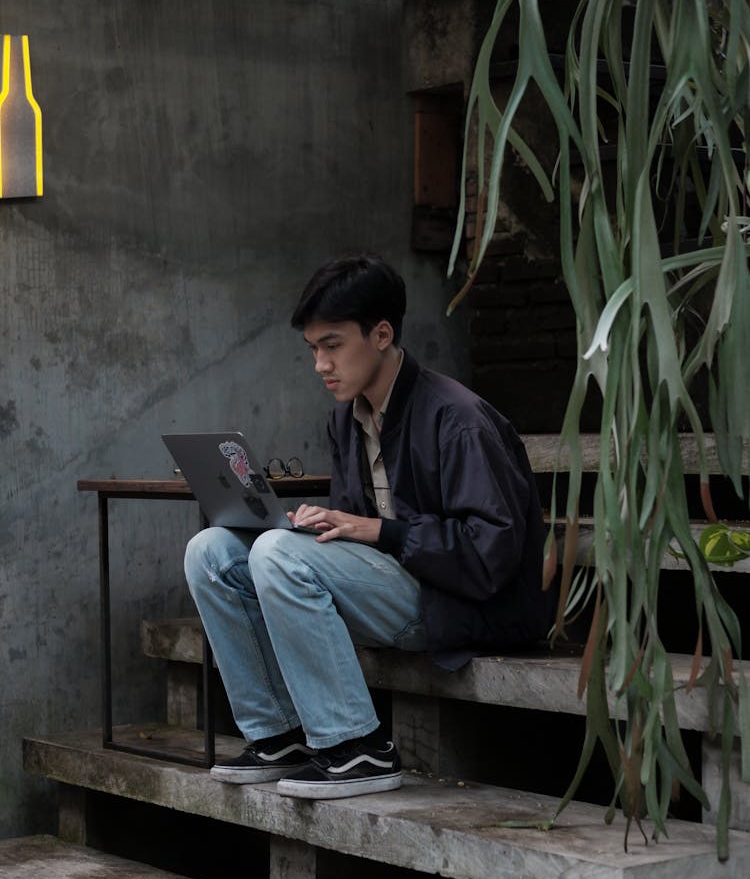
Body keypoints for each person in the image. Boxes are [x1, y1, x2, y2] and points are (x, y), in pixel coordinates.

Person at [184, 254, 552, 800]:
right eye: (313, 350)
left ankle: (359, 747)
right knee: (210, 551)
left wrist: (376, 532)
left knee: (277, 555)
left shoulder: (458, 420)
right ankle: (280, 735)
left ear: (382, 334)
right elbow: (356, 528)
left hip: (460, 603)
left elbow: (489, 555)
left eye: (332, 345)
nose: (320, 365)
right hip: (393, 587)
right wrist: (312, 527)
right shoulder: (347, 416)